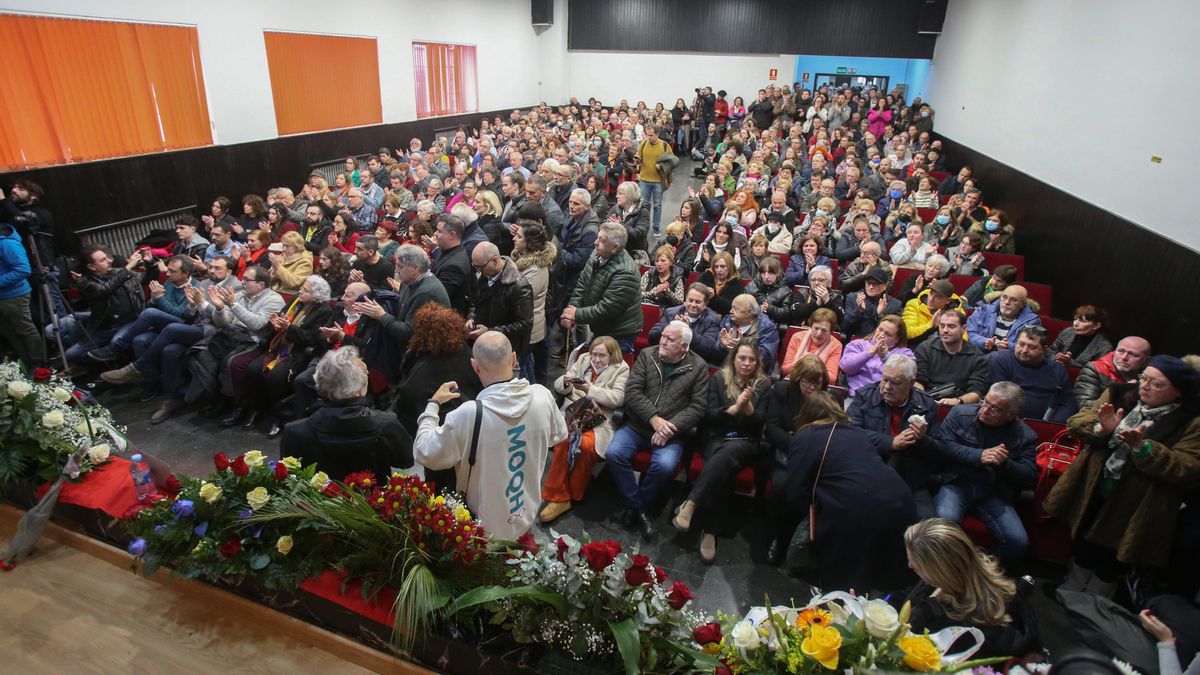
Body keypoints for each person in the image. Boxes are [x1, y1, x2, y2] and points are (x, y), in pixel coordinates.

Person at [1046, 355, 1200, 598]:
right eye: (1144, 378)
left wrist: (1143, 448)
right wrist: (1102, 429)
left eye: (1156, 384)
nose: (1145, 386)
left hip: (1139, 501)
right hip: (1095, 482)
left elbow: (1187, 465)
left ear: (1178, 392)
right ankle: (1069, 593)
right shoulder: (1119, 393)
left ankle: (1094, 605)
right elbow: (1078, 421)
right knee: (1084, 537)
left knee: (1111, 553)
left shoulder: (1191, 421)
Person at [414, 331, 567, 541]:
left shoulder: (468, 413)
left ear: (475, 366)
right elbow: (558, 436)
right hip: (526, 515)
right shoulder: (542, 395)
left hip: (483, 529)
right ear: (513, 358)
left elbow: (425, 452)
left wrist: (432, 407)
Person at [769, 391, 917, 591]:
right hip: (901, 500)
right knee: (884, 579)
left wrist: (819, 505)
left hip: (853, 509)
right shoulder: (856, 432)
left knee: (844, 586)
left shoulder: (805, 436)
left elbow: (796, 493)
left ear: (806, 414)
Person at [606, 321, 708, 540]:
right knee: (614, 454)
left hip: (671, 433)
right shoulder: (647, 354)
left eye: (670, 339)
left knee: (664, 466)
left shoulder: (698, 367)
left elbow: (698, 407)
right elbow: (632, 392)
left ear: (684, 346)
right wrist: (654, 419)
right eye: (663, 336)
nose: (662, 341)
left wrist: (668, 427)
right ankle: (640, 509)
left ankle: (634, 506)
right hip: (637, 425)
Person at [673, 340, 772, 563]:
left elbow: (761, 424)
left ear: (757, 363)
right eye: (742, 358)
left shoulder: (764, 385)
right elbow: (709, 416)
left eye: (751, 360)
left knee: (729, 454)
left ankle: (690, 504)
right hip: (717, 437)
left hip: (745, 440)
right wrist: (733, 409)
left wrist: (748, 410)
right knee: (725, 468)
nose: (746, 363)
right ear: (734, 359)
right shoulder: (719, 377)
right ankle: (710, 532)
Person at [932, 382, 1038, 568]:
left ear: (1011, 415)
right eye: (985, 402)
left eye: (995, 409)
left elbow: (1028, 475)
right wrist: (979, 455)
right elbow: (943, 446)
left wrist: (1005, 463)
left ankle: (982, 574)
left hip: (993, 492)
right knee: (944, 524)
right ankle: (940, 573)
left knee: (1018, 541)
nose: (985, 410)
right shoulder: (960, 413)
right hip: (957, 482)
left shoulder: (1025, 436)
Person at [904, 519, 1041, 660]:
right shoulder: (973, 571)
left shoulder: (956, 627)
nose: (909, 565)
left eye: (916, 568)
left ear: (939, 573)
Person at [282, 347, 414, 482]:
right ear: (358, 390)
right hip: (370, 501)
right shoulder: (386, 424)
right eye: (365, 376)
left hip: (317, 500)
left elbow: (289, 476)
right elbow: (405, 461)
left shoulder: (294, 432)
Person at [229, 275, 334, 437]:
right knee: (252, 370)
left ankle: (279, 417)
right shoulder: (295, 300)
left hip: (298, 351)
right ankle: (258, 409)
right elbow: (280, 318)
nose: (300, 291)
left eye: (305, 290)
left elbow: (313, 339)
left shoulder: (324, 311)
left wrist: (289, 328)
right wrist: (276, 323)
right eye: (302, 288)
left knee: (275, 377)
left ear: (316, 295)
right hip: (279, 345)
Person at [541, 337, 630, 523]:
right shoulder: (583, 359)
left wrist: (590, 389)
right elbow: (560, 385)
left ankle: (573, 493)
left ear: (612, 355)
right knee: (564, 440)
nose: (596, 360)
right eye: (594, 354)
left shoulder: (622, 368)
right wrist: (565, 383)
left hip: (601, 418)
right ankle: (558, 496)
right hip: (575, 412)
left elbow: (618, 399)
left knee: (586, 446)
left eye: (601, 356)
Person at [849, 354, 942, 518]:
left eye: (895, 382)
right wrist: (890, 442)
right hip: (869, 473)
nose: (886, 387)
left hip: (910, 480)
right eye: (885, 379)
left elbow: (941, 451)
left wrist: (923, 440)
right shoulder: (865, 396)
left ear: (911, 383)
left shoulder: (927, 405)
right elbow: (849, 433)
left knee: (928, 527)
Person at [390, 303, 482, 445]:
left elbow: (407, 399)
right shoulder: (465, 352)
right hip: (468, 424)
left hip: (435, 432)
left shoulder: (421, 368)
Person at [51, 244, 146, 370]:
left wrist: (150, 263)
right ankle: (101, 363)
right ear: (91, 266)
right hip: (106, 326)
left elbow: (145, 279)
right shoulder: (86, 282)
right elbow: (104, 290)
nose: (109, 261)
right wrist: (127, 268)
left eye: (107, 258)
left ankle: (113, 362)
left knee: (116, 341)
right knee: (71, 354)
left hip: (129, 320)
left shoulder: (119, 272)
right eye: (103, 260)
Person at [562, 221, 641, 352]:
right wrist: (572, 309)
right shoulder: (597, 253)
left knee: (607, 371)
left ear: (615, 247)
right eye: (598, 237)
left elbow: (607, 308)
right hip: (601, 326)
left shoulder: (626, 272)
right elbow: (582, 284)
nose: (595, 242)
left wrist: (577, 314)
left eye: (601, 240)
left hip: (618, 334)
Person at [365, 244, 450, 351]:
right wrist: (400, 290)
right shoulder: (409, 280)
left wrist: (382, 315)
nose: (396, 271)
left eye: (400, 266)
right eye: (396, 266)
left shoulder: (426, 293)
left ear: (416, 268)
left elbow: (409, 332)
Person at [989, 326, 1078, 423]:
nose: (1024, 350)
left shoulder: (1058, 370)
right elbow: (999, 399)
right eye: (1021, 344)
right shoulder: (1001, 360)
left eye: (1032, 347)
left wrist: (1053, 425)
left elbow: (1068, 403)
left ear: (1044, 349)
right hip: (1007, 422)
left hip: (1046, 424)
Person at [467, 242, 533, 358]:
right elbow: (475, 301)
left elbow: (524, 324)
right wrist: (471, 317)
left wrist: (490, 331)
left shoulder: (519, 286)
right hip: (485, 344)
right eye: (476, 267)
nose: (478, 271)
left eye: (480, 267)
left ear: (495, 261)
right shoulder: (485, 275)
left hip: (506, 350)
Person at [511, 220, 556, 385]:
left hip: (530, 327)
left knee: (522, 368)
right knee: (527, 362)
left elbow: (521, 297)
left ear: (530, 242)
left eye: (519, 236)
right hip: (527, 327)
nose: (514, 239)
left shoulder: (536, 269)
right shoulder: (522, 260)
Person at [915, 309, 990, 406]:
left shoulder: (977, 357)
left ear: (964, 329)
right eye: (942, 326)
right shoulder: (925, 348)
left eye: (951, 326)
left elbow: (976, 392)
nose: (945, 330)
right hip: (926, 398)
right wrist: (925, 399)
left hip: (959, 404)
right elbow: (917, 380)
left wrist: (957, 401)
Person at [0, 220, 43, 371]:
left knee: (24, 329)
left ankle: (38, 364)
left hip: (14, 295)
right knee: (9, 333)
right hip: (3, 296)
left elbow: (23, 269)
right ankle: (26, 364)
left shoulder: (6, 243)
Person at [647, 282, 724, 365]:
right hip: (667, 359)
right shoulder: (671, 312)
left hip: (694, 364)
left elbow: (707, 349)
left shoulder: (713, 320)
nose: (693, 305)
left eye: (697, 302)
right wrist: (672, 327)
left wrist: (688, 330)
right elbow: (652, 337)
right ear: (685, 300)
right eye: (690, 300)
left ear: (705, 304)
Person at [840, 315, 916, 396]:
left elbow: (906, 375)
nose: (881, 335)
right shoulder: (858, 344)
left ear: (897, 339)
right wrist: (868, 354)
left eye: (887, 334)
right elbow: (845, 367)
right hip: (857, 395)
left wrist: (885, 356)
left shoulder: (905, 353)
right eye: (880, 329)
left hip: (887, 398)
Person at [1075, 336, 1152, 408]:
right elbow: (1083, 405)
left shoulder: (1150, 376)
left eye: (1133, 355)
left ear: (1146, 360)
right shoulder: (1095, 368)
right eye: (1121, 351)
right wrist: (1120, 392)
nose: (1124, 358)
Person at [966, 285, 1043, 354]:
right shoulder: (983, 311)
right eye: (1004, 297)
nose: (1006, 302)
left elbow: (1032, 345)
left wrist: (1009, 346)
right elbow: (970, 333)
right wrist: (984, 341)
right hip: (978, 354)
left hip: (1010, 361)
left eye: (1013, 300)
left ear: (1022, 304)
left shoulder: (1032, 321)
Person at [716, 293, 780, 373]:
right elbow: (715, 353)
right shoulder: (727, 321)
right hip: (727, 370)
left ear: (749, 312)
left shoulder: (768, 327)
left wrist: (742, 347)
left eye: (735, 309)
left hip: (754, 373)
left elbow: (765, 357)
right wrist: (722, 346)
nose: (730, 311)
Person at [781, 307, 842, 381]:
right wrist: (813, 368)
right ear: (811, 326)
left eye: (824, 330)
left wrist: (803, 366)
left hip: (818, 387)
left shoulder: (836, 345)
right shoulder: (797, 337)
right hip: (794, 381)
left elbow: (831, 378)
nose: (819, 333)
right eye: (816, 328)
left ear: (830, 332)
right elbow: (784, 370)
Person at [842, 267, 902, 338]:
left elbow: (894, 332)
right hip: (855, 341)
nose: (871, 287)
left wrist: (880, 316)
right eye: (869, 283)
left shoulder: (895, 305)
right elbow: (844, 326)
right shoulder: (853, 297)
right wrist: (859, 310)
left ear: (885, 286)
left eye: (876, 284)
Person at [902, 278, 963, 347]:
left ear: (948, 300)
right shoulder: (914, 304)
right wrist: (931, 325)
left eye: (938, 297)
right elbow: (907, 332)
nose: (931, 299)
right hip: (915, 346)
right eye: (931, 293)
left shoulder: (957, 312)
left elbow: (963, 338)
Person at [635, 124, 670, 234]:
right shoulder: (644, 143)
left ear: (657, 134)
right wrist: (637, 160)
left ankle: (656, 226)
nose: (649, 137)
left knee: (657, 205)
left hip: (658, 181)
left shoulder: (664, 145)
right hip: (644, 179)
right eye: (647, 134)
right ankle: (642, 226)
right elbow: (639, 156)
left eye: (651, 135)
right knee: (642, 205)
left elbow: (672, 161)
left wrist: (662, 166)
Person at [696, 250, 743, 316]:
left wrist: (714, 297)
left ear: (730, 267)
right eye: (716, 266)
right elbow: (694, 292)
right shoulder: (706, 276)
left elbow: (732, 308)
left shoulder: (736, 283)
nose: (719, 270)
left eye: (722, 266)